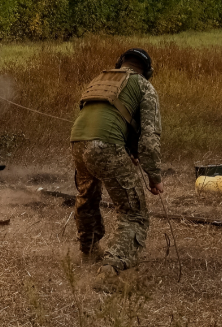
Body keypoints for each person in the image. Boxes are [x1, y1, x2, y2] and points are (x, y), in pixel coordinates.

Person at [68, 47, 163, 281]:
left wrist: (128, 149)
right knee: (133, 212)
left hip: (77, 142)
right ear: (147, 71)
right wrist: (154, 177)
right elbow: (149, 139)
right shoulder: (144, 86)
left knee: (87, 198)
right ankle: (111, 267)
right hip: (106, 145)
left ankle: (89, 252)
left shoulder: (100, 79)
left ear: (120, 63)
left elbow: (110, 117)